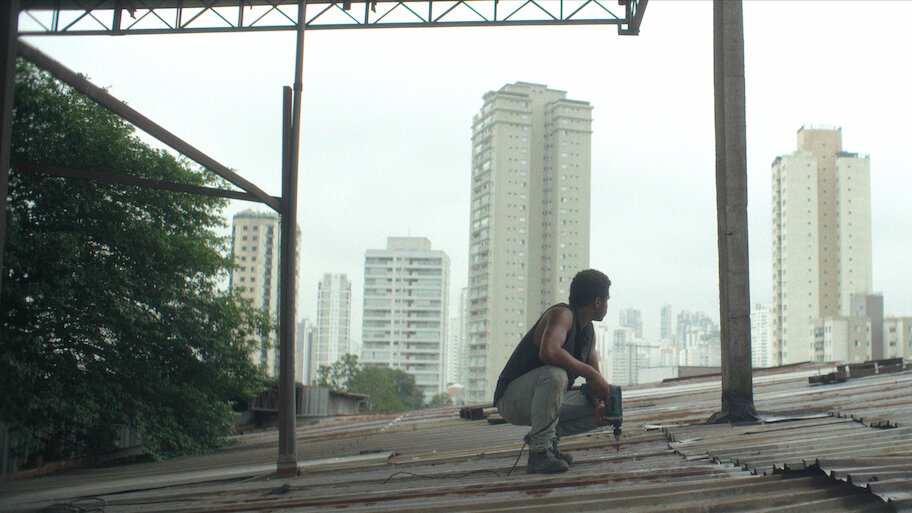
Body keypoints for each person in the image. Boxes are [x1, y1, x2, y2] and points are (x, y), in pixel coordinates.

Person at [493, 269, 613, 474]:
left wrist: (601, 403)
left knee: (611, 404)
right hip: (512, 399)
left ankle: (546, 440)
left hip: (544, 399)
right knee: (555, 375)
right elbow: (549, 351)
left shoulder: (589, 332)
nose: (607, 306)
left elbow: (596, 383)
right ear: (598, 302)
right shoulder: (562, 314)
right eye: (607, 300)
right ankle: (539, 452)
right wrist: (591, 375)